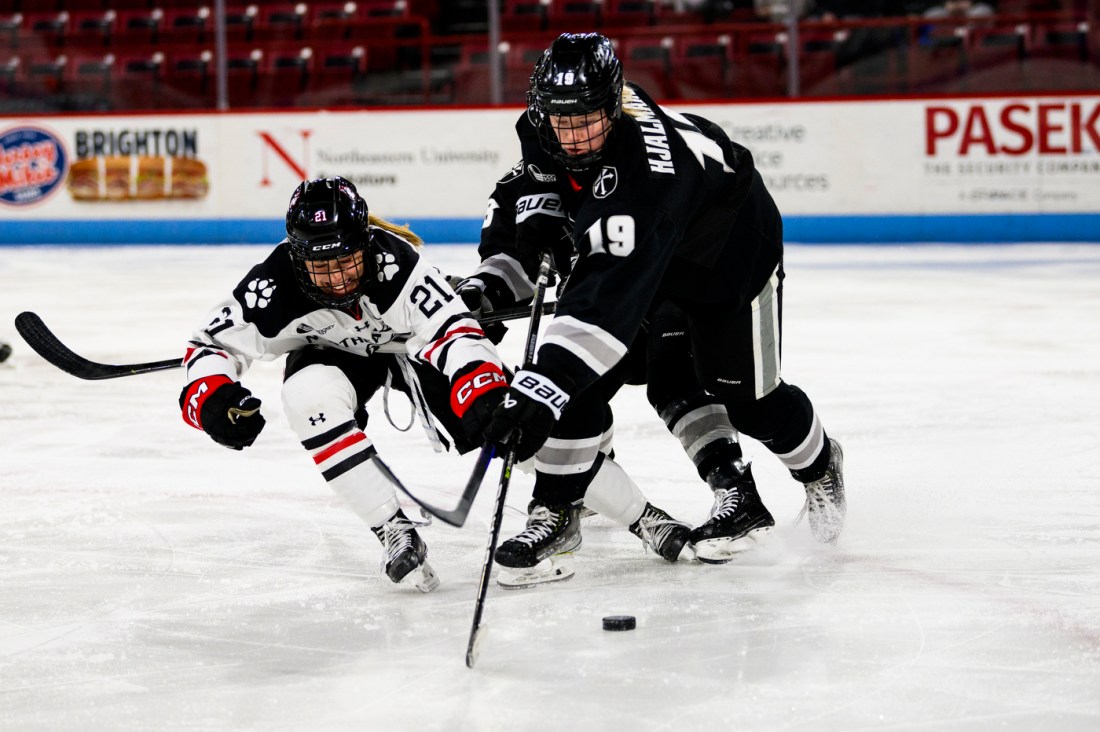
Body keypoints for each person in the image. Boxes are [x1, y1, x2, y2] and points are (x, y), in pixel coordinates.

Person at [473, 33, 847, 575]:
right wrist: (536, 225)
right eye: (562, 120)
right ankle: (556, 510)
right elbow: (539, 176)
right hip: (660, 246)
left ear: (612, 108)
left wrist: (542, 384)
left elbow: (600, 300)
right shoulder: (548, 123)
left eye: (588, 121)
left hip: (729, 251)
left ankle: (819, 465)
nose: (573, 137)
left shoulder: (645, 183)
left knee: (747, 398)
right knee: (597, 381)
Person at [178, 176, 512, 593]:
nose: (336, 280)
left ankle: (565, 494)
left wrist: (479, 380)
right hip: (333, 353)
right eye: (320, 266)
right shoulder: (275, 282)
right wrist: (209, 394)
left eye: (346, 261)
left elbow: (452, 332)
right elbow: (208, 343)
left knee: (513, 419)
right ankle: (393, 528)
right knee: (306, 398)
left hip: (412, 351)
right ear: (298, 258)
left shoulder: (396, 264)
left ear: (366, 242)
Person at [464, 164, 770, 567]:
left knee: (672, 377)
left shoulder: (632, 152)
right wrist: (484, 290)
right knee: (558, 393)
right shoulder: (517, 186)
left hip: (666, 290)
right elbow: (508, 259)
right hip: (595, 309)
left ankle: (734, 487)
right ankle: (560, 504)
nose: (571, 132)